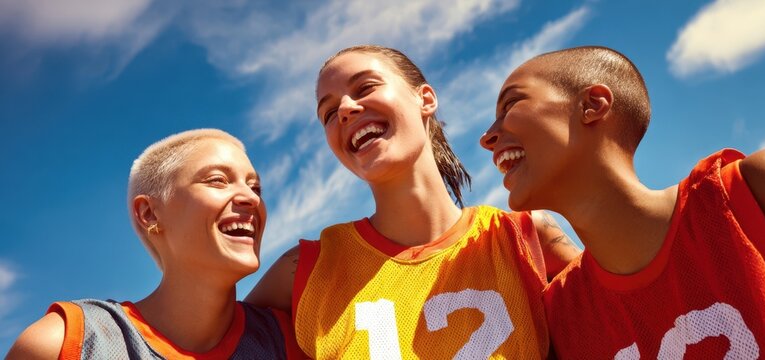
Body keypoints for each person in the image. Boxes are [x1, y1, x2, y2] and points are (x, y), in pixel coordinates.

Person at [245, 45, 581, 358]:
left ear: (426, 98)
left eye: (364, 88)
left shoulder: (525, 237)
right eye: (329, 112)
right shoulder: (304, 270)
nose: (345, 109)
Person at [479, 45, 765, 358]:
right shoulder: (560, 319)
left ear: (592, 105)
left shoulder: (752, 193)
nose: (487, 137)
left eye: (511, 104)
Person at [7, 129, 300, 359]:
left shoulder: (291, 339)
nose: (251, 198)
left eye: (255, 187)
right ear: (149, 213)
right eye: (217, 180)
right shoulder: (67, 343)